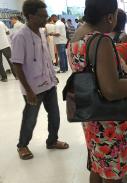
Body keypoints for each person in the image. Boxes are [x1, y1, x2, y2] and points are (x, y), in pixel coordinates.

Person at [68, 0, 127, 182]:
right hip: (109, 121)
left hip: (91, 114)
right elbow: (111, 90)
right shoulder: (101, 41)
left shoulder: (76, 37)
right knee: (113, 172)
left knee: (97, 164)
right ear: (109, 17)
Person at [11, 0, 69, 160]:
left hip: (49, 83)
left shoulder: (42, 32)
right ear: (30, 16)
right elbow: (17, 65)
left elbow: (45, 57)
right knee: (30, 118)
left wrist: (52, 74)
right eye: (42, 16)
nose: (46, 19)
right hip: (33, 88)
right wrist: (28, 91)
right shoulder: (20, 36)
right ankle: (22, 145)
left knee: (55, 115)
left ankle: (52, 141)